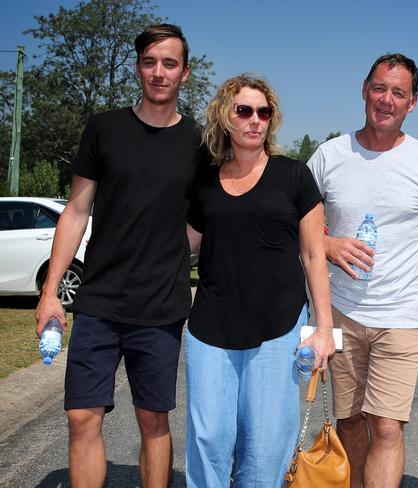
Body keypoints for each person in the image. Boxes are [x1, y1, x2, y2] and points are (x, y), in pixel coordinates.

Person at [35, 24, 202, 488]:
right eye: (150, 62)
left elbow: (209, 217)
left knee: (153, 421)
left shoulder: (199, 142)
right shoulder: (104, 128)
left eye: (169, 63)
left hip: (160, 308)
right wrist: (51, 292)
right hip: (99, 302)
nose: (159, 72)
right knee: (81, 417)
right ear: (138, 68)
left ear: (184, 73)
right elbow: (76, 210)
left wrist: (176, 253)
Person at [307, 53, 418, 488]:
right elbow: (300, 223)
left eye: (399, 92)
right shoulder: (330, 155)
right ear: (364, 89)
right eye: (379, 88)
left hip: (402, 316)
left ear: (413, 102)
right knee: (349, 421)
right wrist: (328, 242)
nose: (387, 100)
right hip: (340, 313)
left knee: (388, 426)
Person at [184, 74, 335, 488]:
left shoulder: (294, 176)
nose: (255, 120)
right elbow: (185, 246)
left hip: (278, 330)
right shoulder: (205, 182)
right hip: (210, 329)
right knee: (208, 441)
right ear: (225, 117)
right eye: (244, 110)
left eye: (263, 112)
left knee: (266, 449)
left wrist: (323, 329)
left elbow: (313, 254)